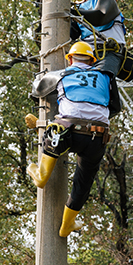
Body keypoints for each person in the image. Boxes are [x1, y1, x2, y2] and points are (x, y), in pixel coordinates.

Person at [27, 41, 119, 237]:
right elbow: (115, 107)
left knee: (55, 129)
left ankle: (40, 174)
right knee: (83, 182)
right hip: (97, 136)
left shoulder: (60, 75)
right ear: (93, 61)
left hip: (65, 131)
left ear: (70, 59)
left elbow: (36, 91)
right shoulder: (105, 77)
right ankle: (66, 224)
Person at [69, 0, 133, 81]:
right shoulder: (77, 6)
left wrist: (72, 12)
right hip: (88, 55)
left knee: (102, 80)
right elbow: (71, 34)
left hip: (109, 52)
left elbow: (100, 17)